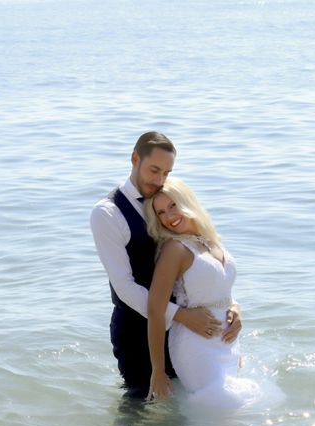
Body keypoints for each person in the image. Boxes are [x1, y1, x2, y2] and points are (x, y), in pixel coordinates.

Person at [90, 132, 242, 398]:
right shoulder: (107, 213)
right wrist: (181, 315)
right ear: (135, 159)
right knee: (143, 408)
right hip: (138, 330)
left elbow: (201, 265)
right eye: (154, 170)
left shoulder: (166, 200)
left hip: (190, 332)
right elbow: (124, 286)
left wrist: (230, 305)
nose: (159, 180)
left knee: (188, 410)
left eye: (167, 172)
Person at [144, 178, 259, 407]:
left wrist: (236, 308)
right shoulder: (174, 248)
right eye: (161, 213)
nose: (169, 216)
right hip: (195, 346)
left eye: (173, 205)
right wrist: (157, 370)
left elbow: (219, 287)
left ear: (186, 201)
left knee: (234, 419)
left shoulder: (211, 241)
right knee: (222, 416)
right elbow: (155, 309)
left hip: (226, 342)